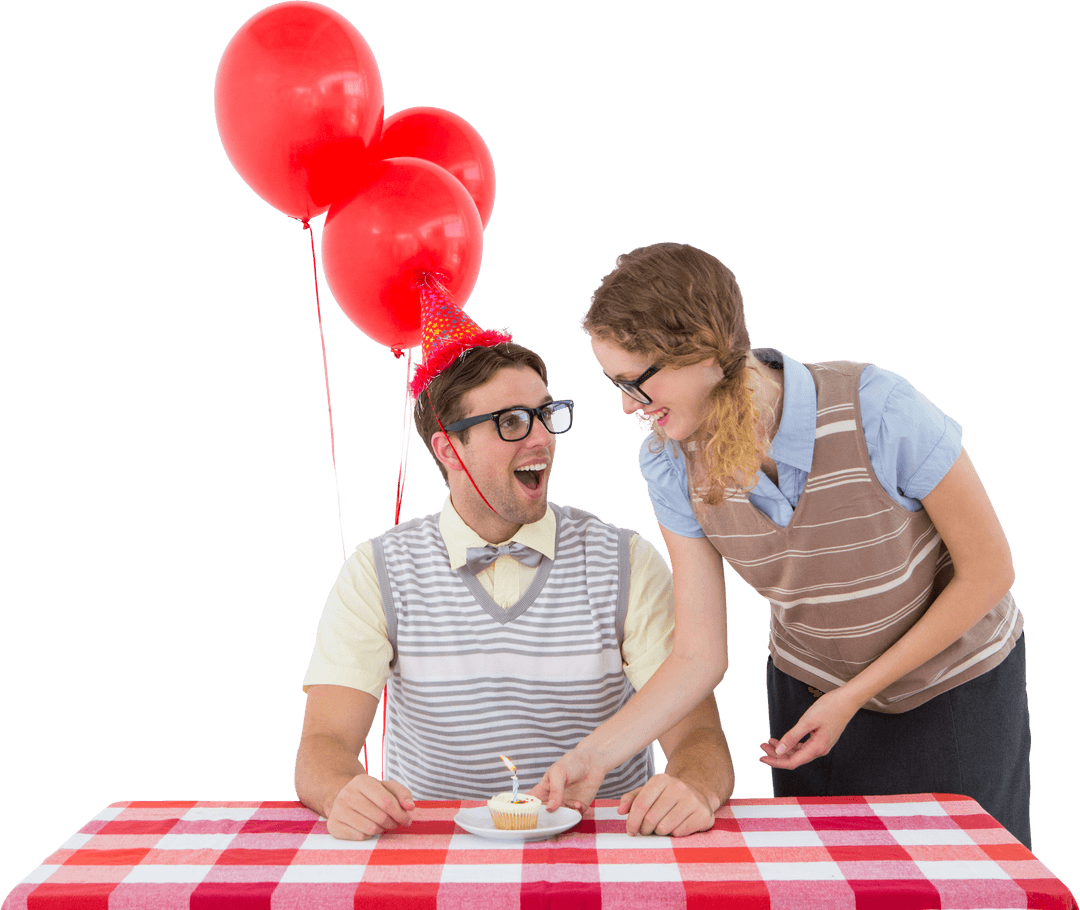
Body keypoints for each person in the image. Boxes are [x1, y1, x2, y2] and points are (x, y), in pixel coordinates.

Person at [536, 242, 1030, 847]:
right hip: (813, 695)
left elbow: (989, 571)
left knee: (968, 878)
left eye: (635, 383)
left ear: (703, 349)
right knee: (826, 879)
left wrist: (854, 696)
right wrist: (591, 757)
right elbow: (698, 654)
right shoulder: (669, 464)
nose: (626, 405)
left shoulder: (877, 410)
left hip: (955, 687)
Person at [294, 330, 735, 841]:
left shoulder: (626, 561)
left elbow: (700, 739)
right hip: (434, 854)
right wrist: (342, 792)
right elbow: (323, 744)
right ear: (449, 449)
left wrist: (692, 787)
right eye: (511, 422)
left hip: (602, 855)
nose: (542, 437)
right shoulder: (377, 571)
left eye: (546, 414)